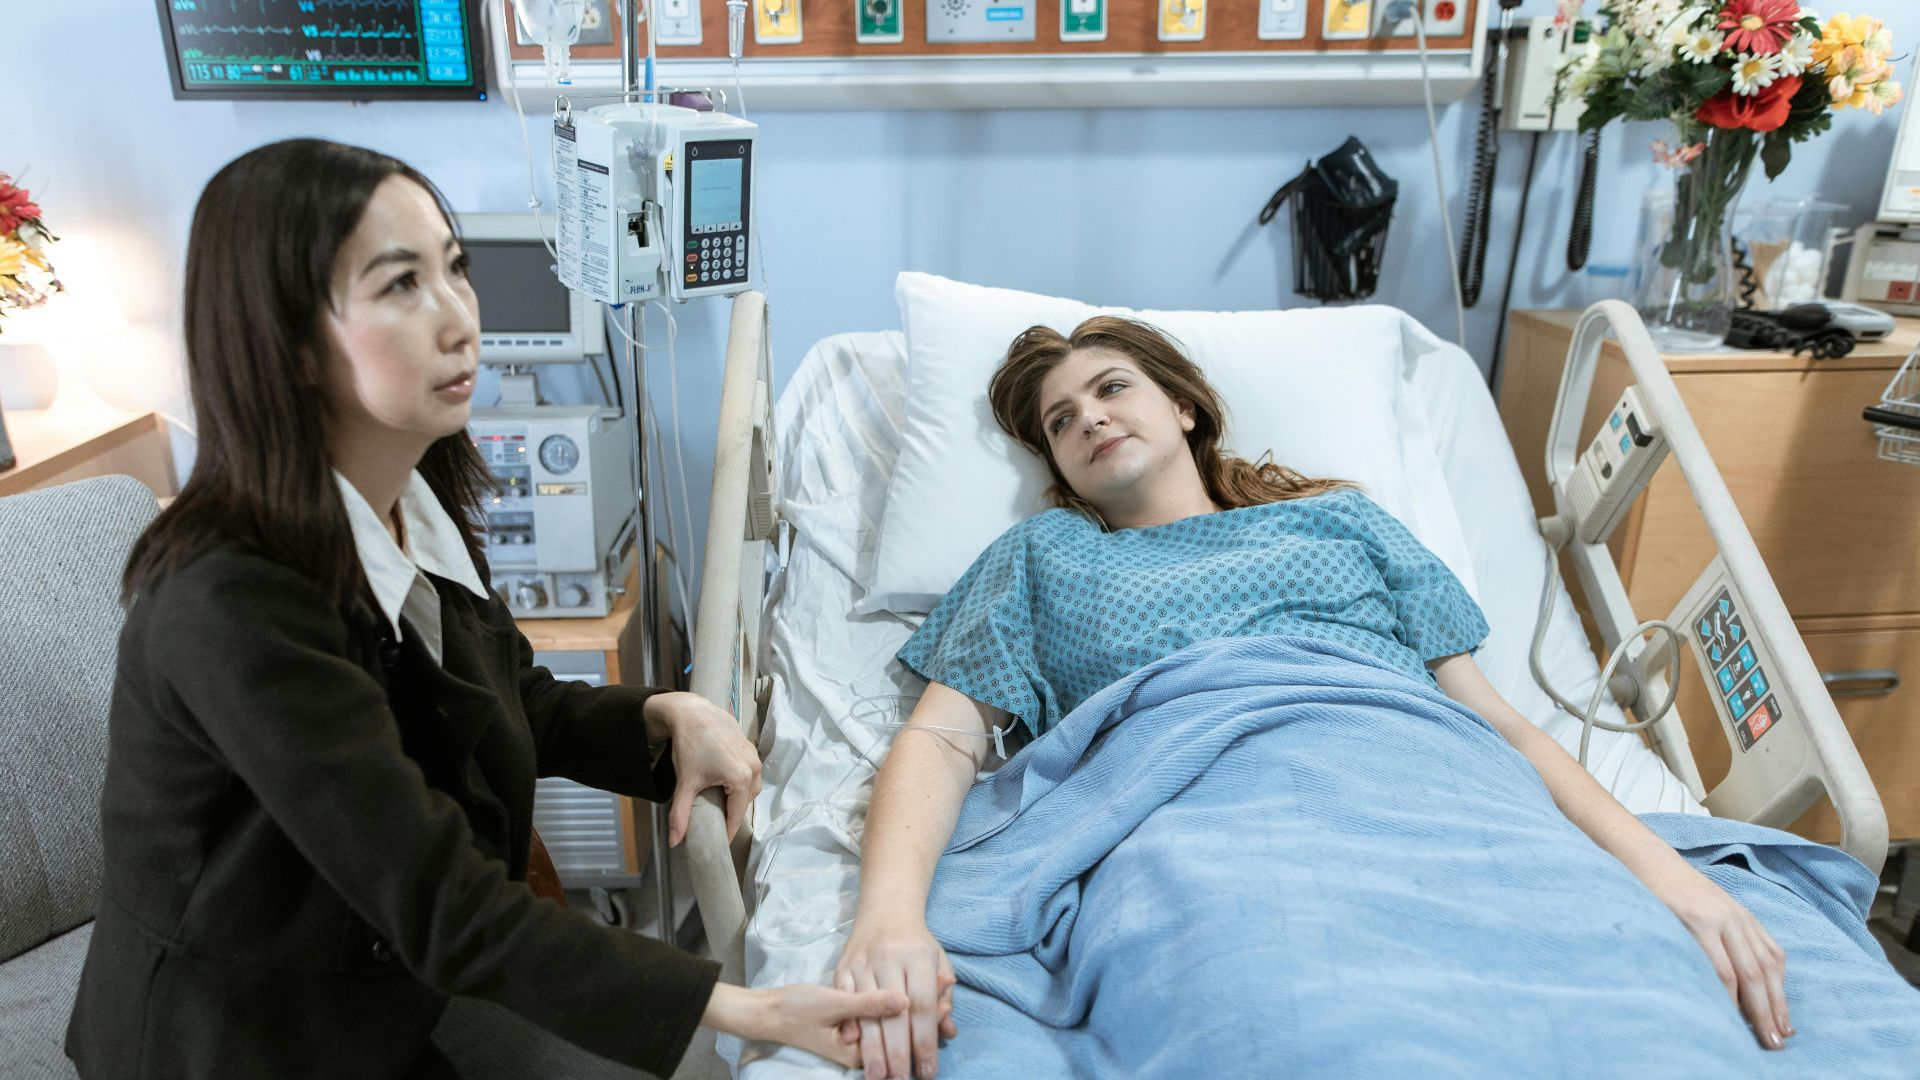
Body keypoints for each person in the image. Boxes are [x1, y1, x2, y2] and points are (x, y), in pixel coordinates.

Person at [63, 139, 903, 1080]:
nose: (460, 317)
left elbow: (519, 704)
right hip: (242, 1040)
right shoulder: (231, 602)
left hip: (390, 996)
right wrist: (753, 1007)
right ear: (290, 344)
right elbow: (442, 903)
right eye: (400, 286)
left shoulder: (410, 499)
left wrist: (663, 721)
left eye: (453, 270)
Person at [832, 316, 1792, 1080]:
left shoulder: (1341, 521)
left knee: (1636, 993)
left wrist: (1668, 876)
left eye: (1111, 387)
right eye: (1059, 420)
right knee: (1286, 1003)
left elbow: (1497, 724)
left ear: (1185, 410)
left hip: (1430, 783)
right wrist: (890, 915)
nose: (1087, 417)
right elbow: (942, 741)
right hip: (1204, 820)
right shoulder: (1043, 555)